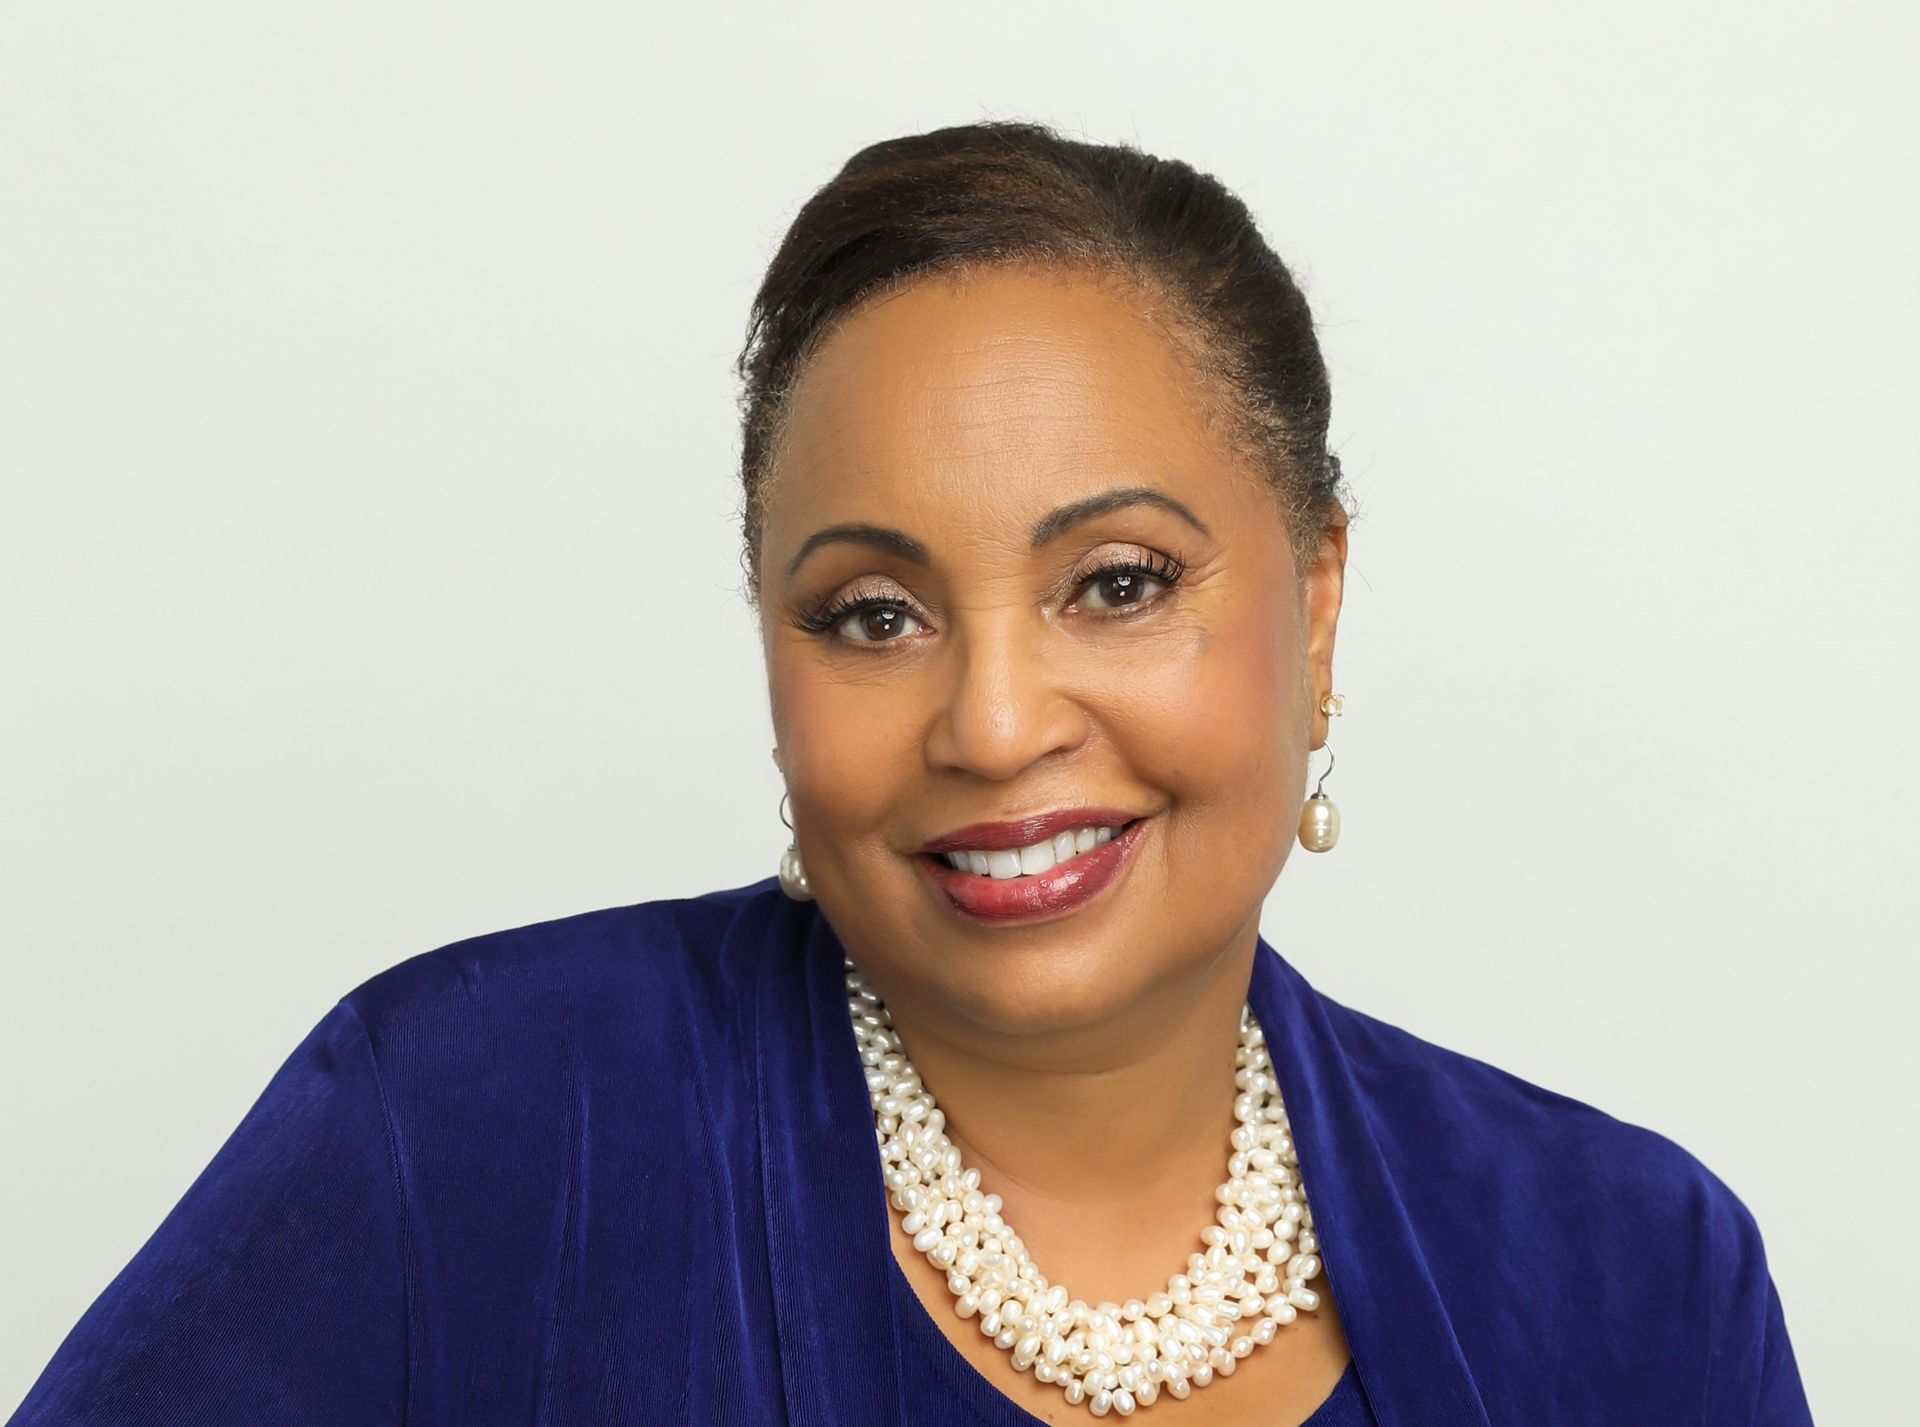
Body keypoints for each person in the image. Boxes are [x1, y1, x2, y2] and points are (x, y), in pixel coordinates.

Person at [7, 120, 1813, 1426]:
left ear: (1318, 599)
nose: (995, 723)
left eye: (1116, 583)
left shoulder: (1633, 1276)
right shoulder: (467, 1133)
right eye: (872, 613)